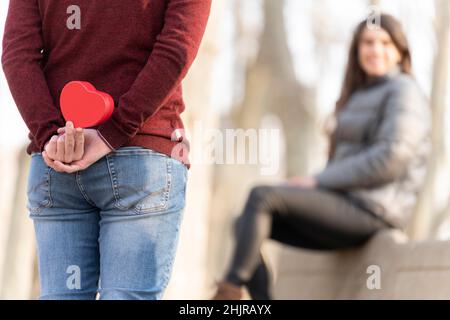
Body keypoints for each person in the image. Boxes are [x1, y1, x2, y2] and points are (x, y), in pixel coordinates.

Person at [212, 13, 431, 300]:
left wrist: (318, 181)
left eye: (385, 43)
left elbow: (390, 159)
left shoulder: (405, 90)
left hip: (375, 211)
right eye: (367, 43)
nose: (375, 50)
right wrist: (317, 182)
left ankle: (229, 292)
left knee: (263, 195)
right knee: (243, 222)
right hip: (345, 204)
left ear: (400, 51)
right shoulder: (356, 95)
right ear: (357, 50)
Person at [2, 0, 211, 300]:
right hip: (140, 162)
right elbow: (176, 47)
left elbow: (17, 53)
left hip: (59, 165)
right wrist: (112, 133)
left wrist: (51, 135)